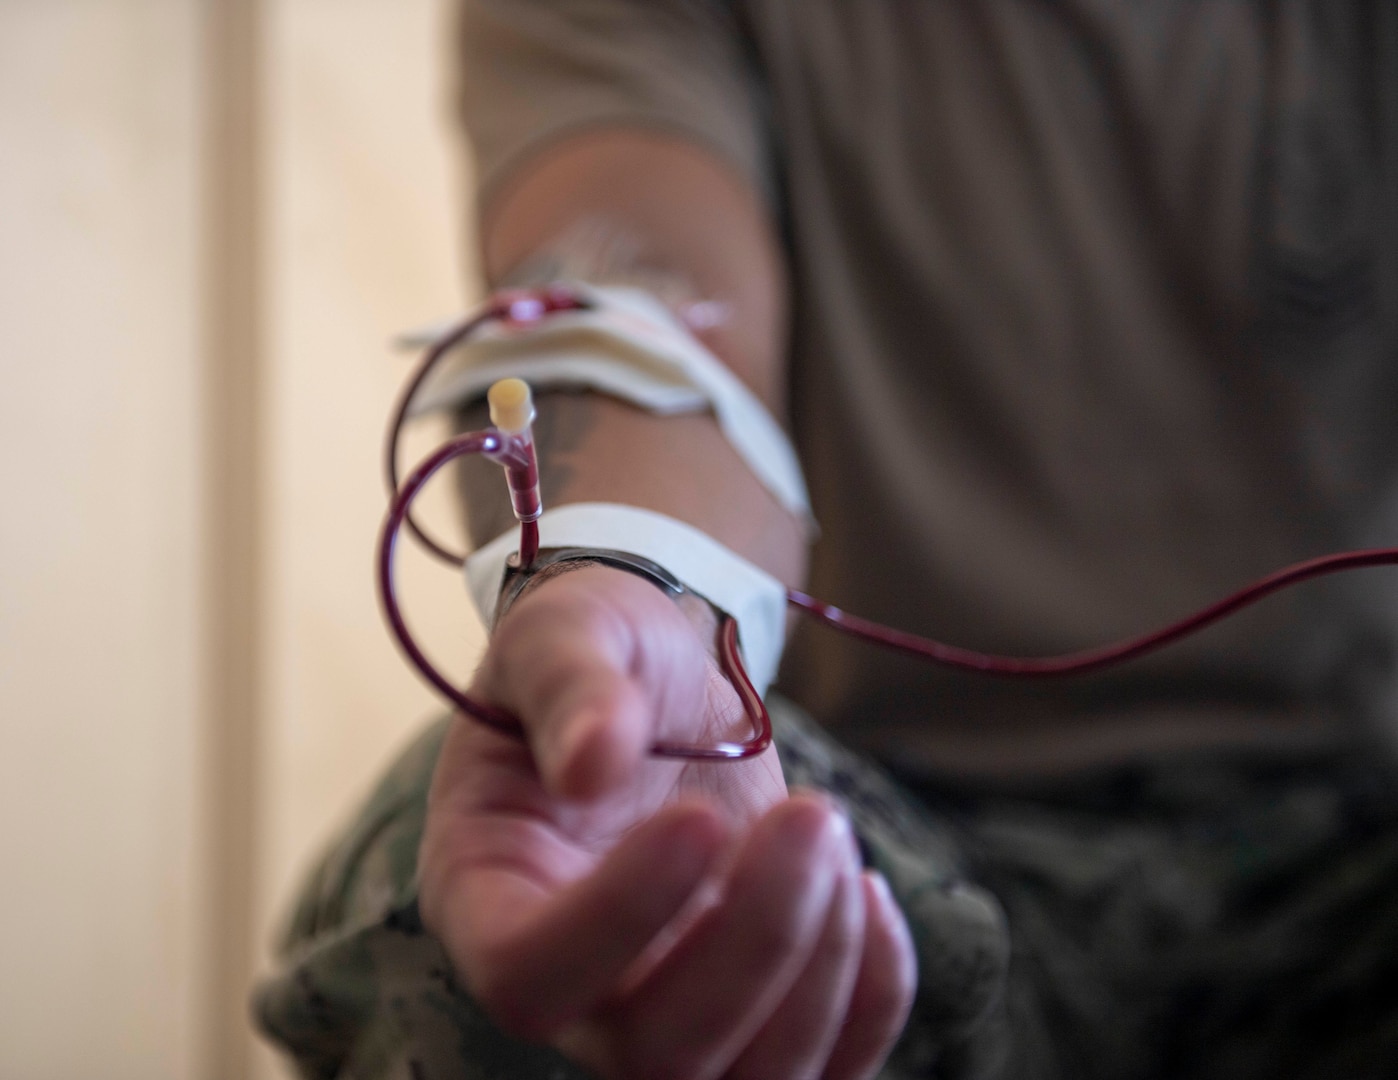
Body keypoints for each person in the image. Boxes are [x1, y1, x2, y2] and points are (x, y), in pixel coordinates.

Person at [256, 3, 1398, 1078]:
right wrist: (644, 591)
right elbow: (646, 291)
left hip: (1357, 842)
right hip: (873, 860)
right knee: (536, 851)